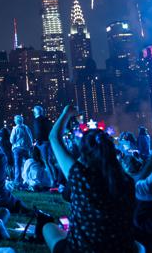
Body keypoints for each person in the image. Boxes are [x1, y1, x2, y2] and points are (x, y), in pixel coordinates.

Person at [41, 105, 138, 253]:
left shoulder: (82, 177)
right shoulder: (127, 181)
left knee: (49, 228)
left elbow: (54, 138)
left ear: (84, 152)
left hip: (84, 249)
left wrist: (66, 113)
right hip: (121, 248)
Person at [10, 114, 34, 184]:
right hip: (26, 149)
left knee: (17, 165)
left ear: (16, 121)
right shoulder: (26, 128)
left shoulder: (15, 129)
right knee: (27, 165)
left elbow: (12, 140)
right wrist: (30, 147)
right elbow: (30, 138)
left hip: (17, 149)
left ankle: (17, 181)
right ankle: (27, 179)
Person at [33, 105, 54, 182]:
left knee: (46, 162)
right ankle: (54, 179)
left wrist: (38, 141)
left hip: (42, 142)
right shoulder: (47, 120)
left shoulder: (37, 120)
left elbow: (38, 131)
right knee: (50, 161)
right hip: (48, 142)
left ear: (36, 112)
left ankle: (52, 181)